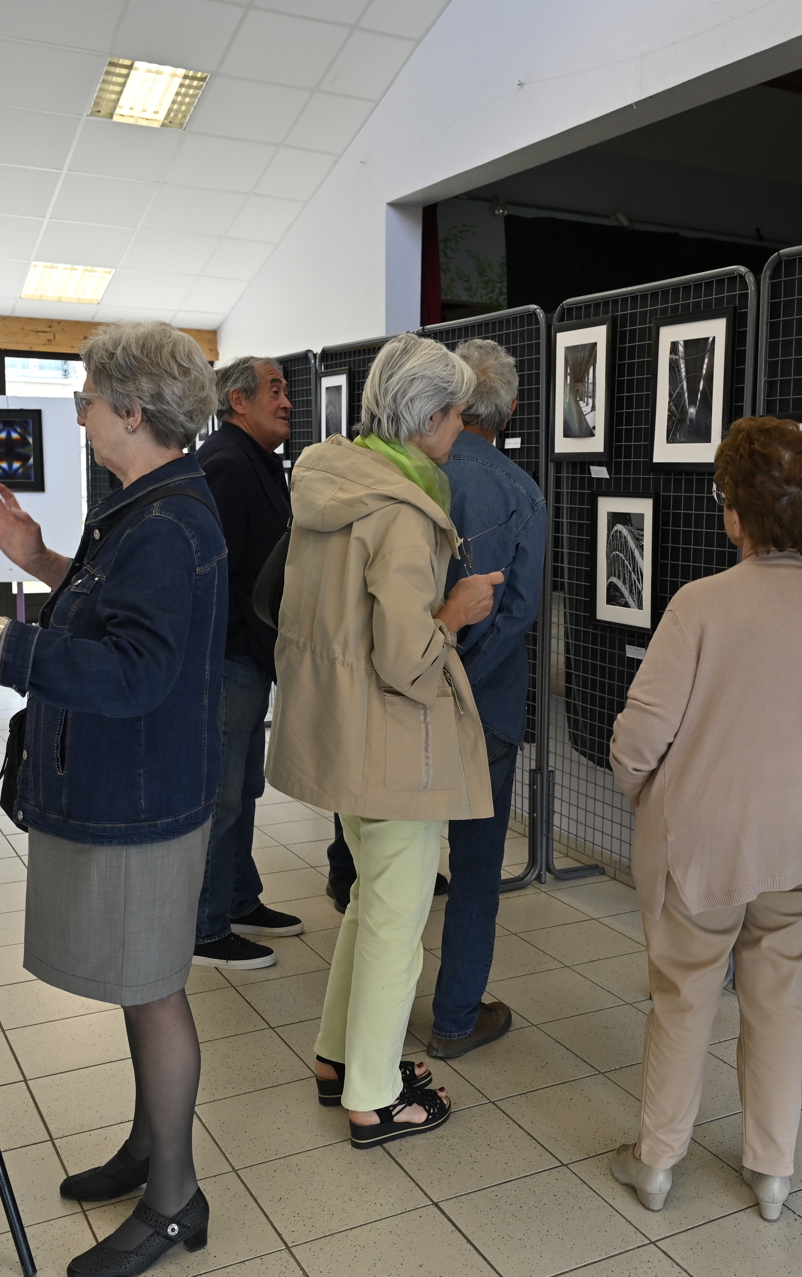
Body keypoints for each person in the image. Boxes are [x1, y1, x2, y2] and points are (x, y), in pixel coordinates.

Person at [0, 322, 226, 1277]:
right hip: (131, 786)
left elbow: (134, 672)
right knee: (134, 976)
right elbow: (122, 611)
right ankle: (152, 1144)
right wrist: (40, 563)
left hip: (142, 794)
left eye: (86, 395)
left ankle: (176, 1197)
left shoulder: (168, 519)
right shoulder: (144, 505)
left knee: (152, 989)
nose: (77, 409)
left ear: (132, 410)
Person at [606, 417, 802, 1221]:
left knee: (681, 996)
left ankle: (658, 1162)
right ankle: (772, 1172)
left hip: (701, 845)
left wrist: (641, 790)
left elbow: (638, 738)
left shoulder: (700, 605)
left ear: (736, 514)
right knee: (781, 1002)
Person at [266, 332, 502, 1148]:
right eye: (459, 415)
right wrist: (459, 610)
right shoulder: (403, 513)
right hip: (395, 741)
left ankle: (339, 1058)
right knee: (396, 923)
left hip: (342, 730)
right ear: (431, 417)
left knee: (373, 902)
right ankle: (373, 1092)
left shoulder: (333, 480)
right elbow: (407, 658)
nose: (461, 430)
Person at [421, 339, 544, 1060]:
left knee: (395, 860)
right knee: (474, 871)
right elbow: (519, 608)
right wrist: (464, 674)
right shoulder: (523, 491)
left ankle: (364, 1019)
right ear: (513, 409)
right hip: (488, 708)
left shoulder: (412, 470)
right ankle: (456, 1017)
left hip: (403, 692)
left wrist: (429, 667)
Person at [191, 356, 304, 970]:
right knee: (223, 796)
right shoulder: (227, 465)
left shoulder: (255, 460)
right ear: (238, 401)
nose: (287, 401)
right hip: (230, 655)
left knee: (244, 789)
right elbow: (212, 574)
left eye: (286, 390)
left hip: (252, 655)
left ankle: (238, 898)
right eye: (274, 390)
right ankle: (206, 928)